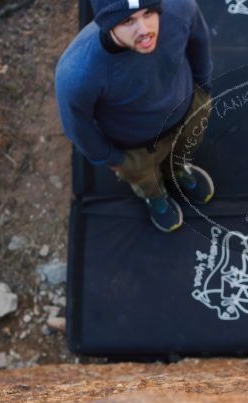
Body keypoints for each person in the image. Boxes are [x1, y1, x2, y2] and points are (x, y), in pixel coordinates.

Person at [55, 0, 214, 232]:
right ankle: (154, 196)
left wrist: (203, 89)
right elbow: (77, 126)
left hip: (187, 112)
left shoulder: (180, 8)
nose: (144, 30)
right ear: (107, 24)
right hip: (136, 147)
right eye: (128, 20)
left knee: (183, 151)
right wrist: (110, 158)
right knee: (145, 178)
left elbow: (199, 40)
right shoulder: (78, 72)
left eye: (149, 13)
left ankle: (178, 170)